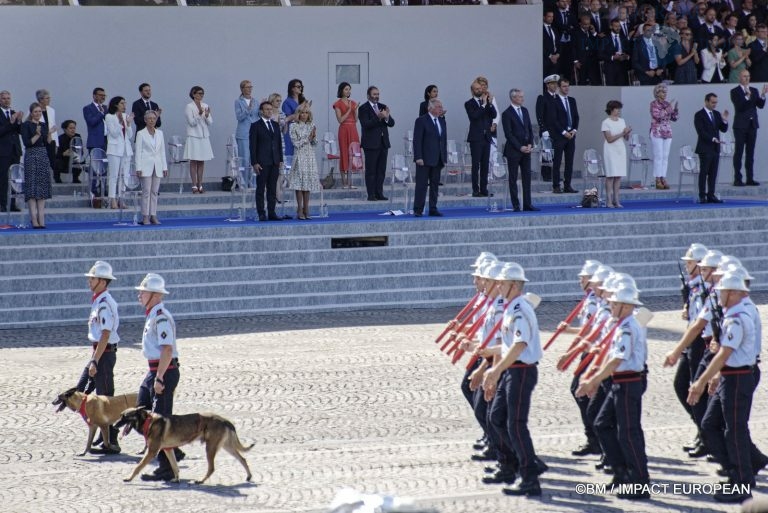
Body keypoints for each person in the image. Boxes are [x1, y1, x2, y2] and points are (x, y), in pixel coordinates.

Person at [577, 284, 651, 501]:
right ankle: (621, 471)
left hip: (628, 382)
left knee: (629, 433)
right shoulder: (620, 324)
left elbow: (617, 359)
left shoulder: (628, 326)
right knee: (601, 424)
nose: (610, 305)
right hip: (619, 382)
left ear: (626, 306)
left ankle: (639, 482)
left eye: (615, 303)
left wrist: (593, 380)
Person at [688, 272, 756, 504]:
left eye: (724, 292)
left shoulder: (737, 318)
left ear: (736, 293)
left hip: (737, 378)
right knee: (709, 425)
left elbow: (724, 354)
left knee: (734, 431)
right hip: (729, 377)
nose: (720, 296)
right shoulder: (730, 316)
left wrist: (701, 381)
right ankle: (734, 470)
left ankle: (742, 482)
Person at [481, 263, 543, 497]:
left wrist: (496, 371)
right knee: (496, 418)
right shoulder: (511, 307)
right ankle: (512, 464)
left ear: (514, 285)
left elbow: (519, 345)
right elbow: (509, 345)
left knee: (515, 425)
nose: (498, 286)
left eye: (502, 283)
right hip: (512, 369)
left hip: (521, 371)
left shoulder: (520, 309)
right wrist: (489, 352)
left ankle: (529, 476)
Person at [134, 273, 183, 482]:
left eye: (143, 292)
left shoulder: (161, 316)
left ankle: (167, 469)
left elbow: (166, 350)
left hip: (165, 370)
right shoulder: (152, 314)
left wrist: (160, 378)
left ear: (154, 294)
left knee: (159, 422)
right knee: (139, 411)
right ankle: (175, 449)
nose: (139, 295)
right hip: (153, 370)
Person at [76, 261, 121, 454]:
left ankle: (111, 440)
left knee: (105, 398)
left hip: (103, 354)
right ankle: (104, 436)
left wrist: (95, 360)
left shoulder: (104, 304)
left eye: (92, 278)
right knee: (81, 391)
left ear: (102, 281)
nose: (89, 281)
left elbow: (105, 334)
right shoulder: (99, 300)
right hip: (99, 353)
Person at [501, 89, 538, 212]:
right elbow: (509, 134)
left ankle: (527, 203)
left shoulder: (525, 110)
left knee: (527, 176)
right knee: (513, 177)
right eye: (520, 97)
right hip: (514, 151)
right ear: (513, 98)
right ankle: (516, 204)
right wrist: (519, 147)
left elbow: (529, 129)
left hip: (526, 150)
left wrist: (529, 144)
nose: (522, 99)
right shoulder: (507, 113)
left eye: (522, 96)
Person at [358, 86, 394, 202]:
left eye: (377, 94)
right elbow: (365, 124)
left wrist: (387, 117)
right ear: (368, 95)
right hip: (371, 144)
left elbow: (391, 123)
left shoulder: (383, 106)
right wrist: (378, 118)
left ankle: (380, 193)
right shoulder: (363, 108)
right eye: (374, 94)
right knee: (371, 171)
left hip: (383, 143)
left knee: (381, 170)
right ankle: (371, 195)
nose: (376, 96)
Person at [20, 102, 53, 229]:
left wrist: (49, 134)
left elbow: (47, 143)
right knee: (32, 187)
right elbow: (27, 143)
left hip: (42, 154)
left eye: (40, 112)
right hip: (31, 155)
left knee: (42, 187)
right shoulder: (26, 125)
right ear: (31, 113)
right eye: (36, 112)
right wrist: (37, 134)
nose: (38, 114)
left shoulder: (43, 125)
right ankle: (34, 219)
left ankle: (42, 218)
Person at [730, 70, 766, 186]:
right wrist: (747, 97)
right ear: (739, 78)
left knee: (750, 153)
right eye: (744, 76)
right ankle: (737, 178)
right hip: (740, 126)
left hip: (752, 125)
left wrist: (763, 95)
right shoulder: (735, 91)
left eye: (748, 76)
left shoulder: (754, 90)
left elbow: (760, 105)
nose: (747, 78)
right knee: (739, 152)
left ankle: (750, 178)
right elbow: (740, 107)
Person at [412, 98, 447, 218]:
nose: (440, 109)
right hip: (424, 159)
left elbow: (443, 140)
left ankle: (433, 208)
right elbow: (417, 140)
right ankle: (418, 209)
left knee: (434, 185)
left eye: (441, 107)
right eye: (438, 107)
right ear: (430, 108)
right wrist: (418, 157)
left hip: (438, 159)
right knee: (421, 185)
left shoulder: (441, 121)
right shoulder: (421, 121)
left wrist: (444, 157)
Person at [250, 101, 283, 222]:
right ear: (261, 111)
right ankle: (261, 213)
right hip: (262, 162)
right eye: (267, 109)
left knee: (272, 188)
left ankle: (272, 212)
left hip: (274, 161)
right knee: (261, 188)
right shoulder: (255, 126)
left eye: (271, 109)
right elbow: (252, 146)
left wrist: (280, 160)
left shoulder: (275, 125)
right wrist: (254, 162)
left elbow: (279, 143)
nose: (269, 111)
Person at [694, 92, 729, 204]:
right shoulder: (699, 115)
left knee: (713, 173)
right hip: (705, 148)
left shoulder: (717, 114)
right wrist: (713, 139)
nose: (714, 105)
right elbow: (701, 132)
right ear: (706, 101)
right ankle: (702, 195)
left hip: (715, 148)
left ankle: (711, 195)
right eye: (713, 102)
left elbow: (723, 129)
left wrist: (724, 120)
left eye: (716, 102)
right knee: (704, 172)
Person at [546, 78, 579, 194]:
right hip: (560, 136)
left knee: (569, 161)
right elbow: (554, 120)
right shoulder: (554, 101)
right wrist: (564, 132)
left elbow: (576, 117)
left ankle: (567, 185)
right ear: (559, 87)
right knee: (558, 161)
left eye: (568, 86)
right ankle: (556, 185)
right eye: (564, 86)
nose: (567, 88)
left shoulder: (572, 100)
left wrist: (574, 130)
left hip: (571, 135)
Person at [134, 111, 167, 225]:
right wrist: (138, 167)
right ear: (145, 120)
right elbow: (138, 152)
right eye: (150, 119)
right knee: (146, 192)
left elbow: (162, 151)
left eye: (154, 118)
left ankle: (153, 215)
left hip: (157, 165)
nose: (152, 120)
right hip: (145, 165)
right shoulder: (141, 134)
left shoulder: (160, 133)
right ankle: (145, 216)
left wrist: (164, 166)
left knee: (154, 192)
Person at [288, 105, 321, 220]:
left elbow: (315, 144)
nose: (304, 115)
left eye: (306, 113)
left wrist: (314, 137)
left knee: (307, 185)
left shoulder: (311, 125)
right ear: (298, 114)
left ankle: (307, 208)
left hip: (310, 156)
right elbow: (295, 143)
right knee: (300, 184)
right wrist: (307, 138)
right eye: (302, 112)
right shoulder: (293, 126)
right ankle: (299, 208)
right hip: (300, 156)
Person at [465, 81, 497, 198]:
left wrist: (490, 103)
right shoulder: (469, 103)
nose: (480, 91)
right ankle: (475, 189)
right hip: (476, 138)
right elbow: (474, 116)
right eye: (477, 89)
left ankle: (484, 188)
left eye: (481, 88)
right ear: (472, 91)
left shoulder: (486, 102)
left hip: (486, 137)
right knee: (476, 164)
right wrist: (483, 105)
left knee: (485, 164)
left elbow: (493, 115)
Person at [105, 96, 134, 210]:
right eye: (122, 103)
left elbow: (130, 135)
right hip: (114, 149)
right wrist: (121, 122)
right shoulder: (109, 116)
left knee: (125, 175)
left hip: (126, 149)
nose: (124, 105)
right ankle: (112, 199)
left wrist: (129, 124)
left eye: (125, 103)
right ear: (116, 104)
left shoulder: (126, 116)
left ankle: (121, 198)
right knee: (114, 175)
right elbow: (113, 133)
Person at [183, 85, 213, 194]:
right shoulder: (189, 106)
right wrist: (199, 115)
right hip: (194, 135)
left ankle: (200, 184)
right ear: (193, 94)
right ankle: (194, 185)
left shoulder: (205, 105)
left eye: (202, 93)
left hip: (204, 136)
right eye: (199, 93)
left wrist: (207, 115)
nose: (201, 95)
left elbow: (210, 122)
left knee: (201, 161)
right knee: (193, 160)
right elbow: (191, 123)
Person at [602, 101, 632, 208]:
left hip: (620, 149)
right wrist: (622, 133)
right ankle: (608, 200)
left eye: (619, 109)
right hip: (610, 150)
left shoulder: (622, 121)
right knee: (610, 175)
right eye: (617, 109)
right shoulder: (606, 122)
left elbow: (626, 138)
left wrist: (627, 133)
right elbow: (609, 139)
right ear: (611, 109)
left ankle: (616, 200)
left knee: (618, 176)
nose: (619, 111)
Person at [649, 84, 678, 190]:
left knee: (665, 156)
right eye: (662, 92)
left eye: (666, 92)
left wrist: (675, 111)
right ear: (657, 93)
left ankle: (663, 177)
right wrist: (667, 110)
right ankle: (657, 179)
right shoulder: (654, 104)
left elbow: (674, 118)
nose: (665, 94)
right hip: (657, 131)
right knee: (658, 156)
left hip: (667, 131)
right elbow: (657, 116)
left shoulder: (667, 104)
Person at [332, 82, 360, 189]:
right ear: (341, 90)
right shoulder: (337, 104)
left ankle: (351, 181)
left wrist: (356, 110)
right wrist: (349, 110)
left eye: (349, 89)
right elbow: (340, 120)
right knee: (344, 154)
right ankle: (344, 182)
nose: (348, 91)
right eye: (346, 89)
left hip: (353, 129)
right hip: (344, 129)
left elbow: (356, 119)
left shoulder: (353, 103)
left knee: (353, 154)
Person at [0, 90, 23, 213]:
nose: (7, 100)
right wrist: (11, 122)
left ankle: (13, 203)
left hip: (15, 150)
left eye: (8, 98)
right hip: (3, 151)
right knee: (3, 178)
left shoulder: (13, 113)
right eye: (4, 98)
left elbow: (20, 131)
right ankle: (3, 203)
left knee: (15, 178)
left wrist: (19, 121)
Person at [536, 75, 560, 183]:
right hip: (547, 131)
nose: (554, 86)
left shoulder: (558, 98)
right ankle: (546, 175)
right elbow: (539, 115)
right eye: (552, 84)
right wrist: (543, 129)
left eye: (555, 84)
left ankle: (555, 175)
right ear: (547, 85)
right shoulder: (542, 97)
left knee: (557, 155)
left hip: (558, 131)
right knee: (546, 154)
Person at [234, 80, 259, 176]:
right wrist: (248, 110)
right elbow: (239, 117)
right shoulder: (238, 102)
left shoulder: (255, 101)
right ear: (242, 89)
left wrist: (263, 109)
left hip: (255, 133)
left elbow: (258, 116)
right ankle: (244, 182)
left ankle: (253, 182)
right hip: (244, 133)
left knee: (255, 157)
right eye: (247, 87)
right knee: (244, 158)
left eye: (250, 87)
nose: (249, 89)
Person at [282, 79, 307, 171]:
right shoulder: (287, 102)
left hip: (302, 129)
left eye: (301, 87)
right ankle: (289, 176)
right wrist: (299, 111)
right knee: (291, 153)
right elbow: (289, 117)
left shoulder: (302, 100)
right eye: (298, 86)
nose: (300, 88)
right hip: (291, 130)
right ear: (292, 88)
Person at [36, 90, 58, 183]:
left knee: (53, 159)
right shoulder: (35, 109)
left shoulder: (51, 110)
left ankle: (56, 178)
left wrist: (56, 141)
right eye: (47, 98)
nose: (49, 100)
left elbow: (53, 124)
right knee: (41, 160)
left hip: (50, 138)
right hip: (40, 139)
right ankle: (41, 179)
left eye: (49, 98)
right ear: (41, 99)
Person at [601, 18, 631, 85]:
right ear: (611, 27)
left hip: (622, 68)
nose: (618, 28)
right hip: (610, 68)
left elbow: (629, 51)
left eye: (619, 26)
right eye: (616, 26)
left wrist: (626, 56)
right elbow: (600, 54)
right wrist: (612, 57)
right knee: (612, 90)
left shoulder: (624, 38)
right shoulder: (605, 39)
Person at [54, 120, 84, 184]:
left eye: (74, 128)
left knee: (80, 160)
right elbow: (57, 154)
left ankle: (75, 178)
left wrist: (75, 153)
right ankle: (57, 178)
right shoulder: (60, 138)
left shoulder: (77, 137)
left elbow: (81, 150)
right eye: (70, 128)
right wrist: (64, 153)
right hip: (63, 159)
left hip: (74, 158)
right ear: (65, 129)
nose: (73, 130)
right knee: (57, 161)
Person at [83, 87, 107, 152]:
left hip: (107, 141)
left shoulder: (106, 108)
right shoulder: (88, 108)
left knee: (106, 162)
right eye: (101, 95)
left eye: (104, 95)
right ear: (94, 96)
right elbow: (91, 122)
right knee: (96, 162)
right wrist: (101, 113)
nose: (103, 97)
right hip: (95, 142)